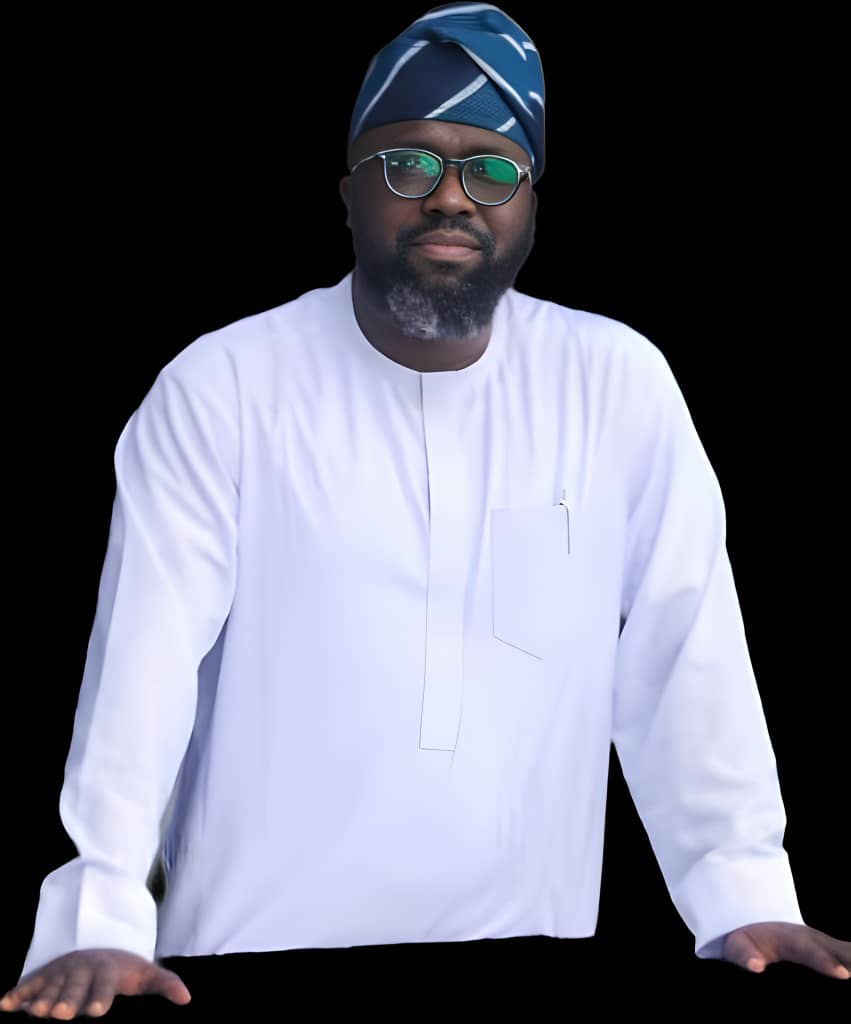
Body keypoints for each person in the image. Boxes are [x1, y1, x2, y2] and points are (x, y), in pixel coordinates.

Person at [2, 3, 848, 1018]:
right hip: (251, 958)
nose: (450, 197)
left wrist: (742, 894)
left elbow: (683, 653)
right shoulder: (223, 388)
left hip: (528, 958)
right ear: (348, 194)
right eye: (408, 165)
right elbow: (144, 669)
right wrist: (100, 916)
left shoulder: (613, 383)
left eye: (490, 170)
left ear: (528, 206)